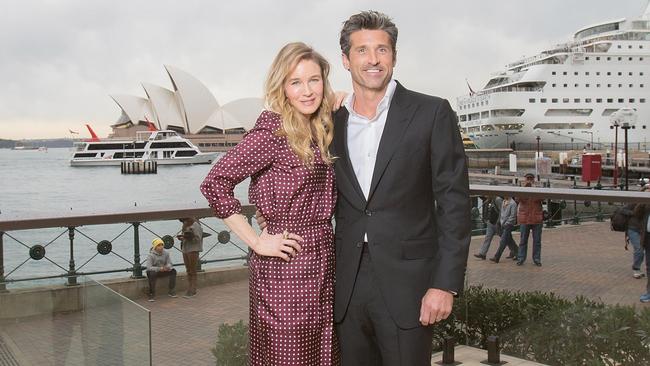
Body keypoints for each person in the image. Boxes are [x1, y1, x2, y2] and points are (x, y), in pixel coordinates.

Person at [331, 11, 470, 365]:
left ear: (394, 56)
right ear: (346, 60)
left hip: (410, 285)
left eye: (382, 50)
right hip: (345, 285)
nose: (373, 60)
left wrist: (445, 284)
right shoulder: (330, 121)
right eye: (362, 51)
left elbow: (454, 204)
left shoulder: (432, 112)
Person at [200, 42, 338, 365]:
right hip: (284, 266)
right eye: (296, 82)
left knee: (322, 354)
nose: (307, 91)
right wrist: (258, 241)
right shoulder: (271, 133)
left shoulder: (320, 127)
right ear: (282, 88)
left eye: (314, 80)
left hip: (323, 261)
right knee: (286, 355)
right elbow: (215, 184)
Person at [516, 173, 544, 266]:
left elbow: (541, 198)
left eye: (531, 178)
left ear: (534, 179)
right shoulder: (521, 189)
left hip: (536, 217)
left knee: (537, 241)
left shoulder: (538, 188)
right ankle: (521, 258)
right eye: (528, 178)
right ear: (525, 179)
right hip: (525, 217)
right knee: (523, 240)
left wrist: (535, 189)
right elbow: (518, 199)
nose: (529, 180)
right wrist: (524, 188)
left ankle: (536, 259)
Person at [177, 217, 204, 297]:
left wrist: (188, 238)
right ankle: (189, 288)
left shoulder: (196, 224)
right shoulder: (185, 224)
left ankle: (193, 289)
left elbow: (198, 239)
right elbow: (186, 236)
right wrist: (182, 238)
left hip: (193, 249)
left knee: (192, 270)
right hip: (185, 249)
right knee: (188, 270)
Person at [489, 196, 518, 263]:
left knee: (503, 241)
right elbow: (502, 213)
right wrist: (500, 222)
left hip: (508, 224)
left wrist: (506, 223)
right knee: (509, 240)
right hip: (503, 223)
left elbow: (513, 216)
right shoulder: (504, 201)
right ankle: (518, 253)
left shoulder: (513, 204)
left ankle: (497, 257)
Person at [474, 195, 503, 260]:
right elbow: (488, 210)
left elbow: (502, 211)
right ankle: (482, 253)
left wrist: (499, 221)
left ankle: (515, 251)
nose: (485, 196)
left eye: (487, 194)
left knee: (506, 239)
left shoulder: (498, 199)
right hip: (490, 222)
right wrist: (487, 219)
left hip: (497, 223)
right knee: (487, 238)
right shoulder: (490, 200)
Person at [636, 185, 650, 303]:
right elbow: (637, 213)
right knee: (649, 267)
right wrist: (644, 196)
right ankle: (649, 292)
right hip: (648, 239)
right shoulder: (646, 203)